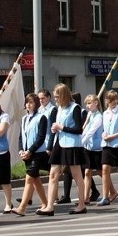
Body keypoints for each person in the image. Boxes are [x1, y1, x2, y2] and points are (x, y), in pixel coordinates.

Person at [39, 83, 87, 216]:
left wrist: (61, 127)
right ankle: (49, 206)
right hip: (59, 142)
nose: (56, 99)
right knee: (53, 174)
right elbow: (58, 126)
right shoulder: (59, 108)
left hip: (72, 145)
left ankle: (82, 204)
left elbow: (79, 129)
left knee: (77, 175)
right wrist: (55, 129)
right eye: (54, 97)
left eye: (57, 96)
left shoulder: (75, 108)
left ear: (64, 95)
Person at [11, 93, 49, 216]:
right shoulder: (24, 119)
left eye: (31, 102)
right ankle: (45, 203)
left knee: (29, 179)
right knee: (35, 180)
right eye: (27, 102)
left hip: (38, 153)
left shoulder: (41, 117)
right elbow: (21, 137)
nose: (28, 104)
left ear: (36, 104)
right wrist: (21, 150)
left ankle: (22, 208)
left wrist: (30, 150)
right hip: (27, 153)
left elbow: (41, 137)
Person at [81, 94, 103, 204]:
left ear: (96, 103)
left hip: (97, 148)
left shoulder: (99, 117)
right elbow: (85, 129)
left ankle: (112, 191)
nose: (87, 106)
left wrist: (82, 142)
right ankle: (85, 198)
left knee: (101, 172)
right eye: (86, 103)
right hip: (88, 147)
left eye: (89, 103)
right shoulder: (89, 114)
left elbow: (91, 132)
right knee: (87, 172)